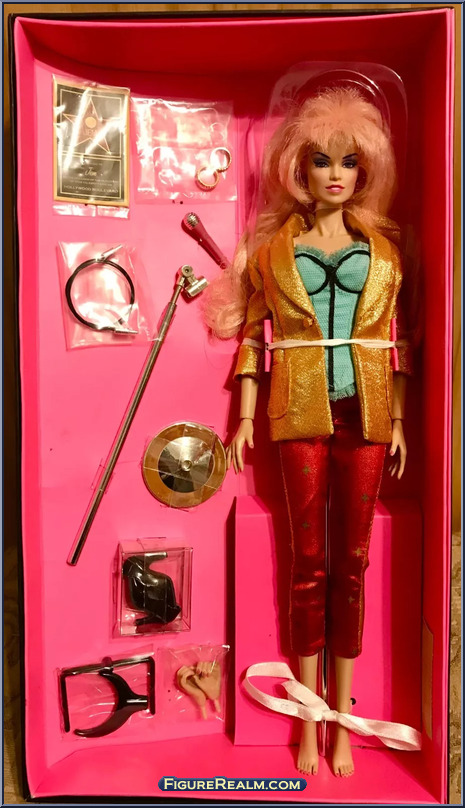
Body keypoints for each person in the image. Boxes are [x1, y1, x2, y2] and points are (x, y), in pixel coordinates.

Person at [204, 85, 413, 777]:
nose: (335, 174)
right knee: (308, 562)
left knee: (352, 562)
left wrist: (400, 419)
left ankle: (341, 719)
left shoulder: (384, 254)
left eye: (348, 161)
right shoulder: (272, 255)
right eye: (322, 160)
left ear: (366, 168)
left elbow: (396, 341)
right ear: (298, 167)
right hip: (296, 412)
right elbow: (253, 341)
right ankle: (307, 716)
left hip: (368, 415)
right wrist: (242, 417)